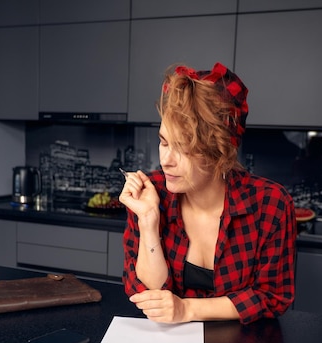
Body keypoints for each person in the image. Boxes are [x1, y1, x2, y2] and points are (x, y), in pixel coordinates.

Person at [118, 62, 296, 325]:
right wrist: (148, 221)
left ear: (221, 152)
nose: (166, 160)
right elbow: (148, 294)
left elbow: (272, 296)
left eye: (184, 147)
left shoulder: (270, 204)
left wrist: (187, 310)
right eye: (164, 141)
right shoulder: (151, 193)